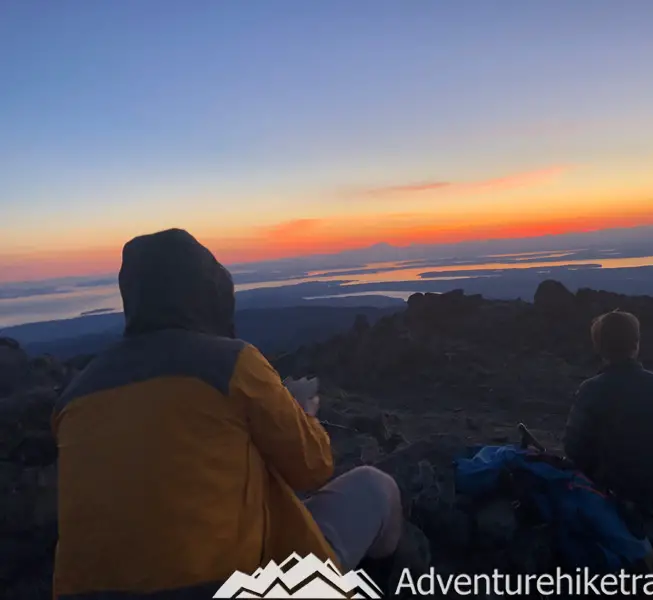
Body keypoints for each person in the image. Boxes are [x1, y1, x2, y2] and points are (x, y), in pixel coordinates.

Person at [51, 229, 404, 599]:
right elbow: (313, 468)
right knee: (376, 487)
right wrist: (302, 413)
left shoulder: (75, 396)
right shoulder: (231, 363)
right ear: (209, 292)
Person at [563, 309, 653, 514]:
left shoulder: (591, 390)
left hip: (616, 495)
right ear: (636, 344)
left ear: (599, 347)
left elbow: (574, 449)